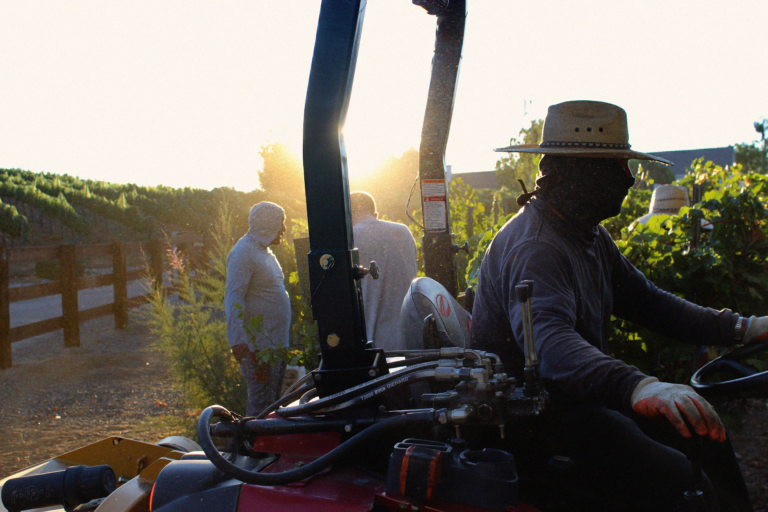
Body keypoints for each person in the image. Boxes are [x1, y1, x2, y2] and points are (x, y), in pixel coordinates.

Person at [471, 100, 766, 511]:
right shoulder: (538, 247)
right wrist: (639, 385)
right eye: (617, 166)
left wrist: (745, 328)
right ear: (581, 173)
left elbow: (650, 303)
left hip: (577, 403)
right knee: (680, 478)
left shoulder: (585, 233)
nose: (628, 180)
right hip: (538, 422)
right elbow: (551, 343)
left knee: (704, 438)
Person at [225, 201, 290, 417]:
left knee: (272, 404)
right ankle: (255, 449)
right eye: (280, 223)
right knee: (261, 405)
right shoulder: (243, 252)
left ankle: (266, 449)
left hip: (273, 343)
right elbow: (234, 296)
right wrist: (238, 339)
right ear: (267, 224)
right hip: (258, 347)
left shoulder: (263, 251)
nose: (284, 229)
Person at [350, 191, 418, 352]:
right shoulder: (403, 233)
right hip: (411, 338)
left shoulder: (350, 239)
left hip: (373, 343)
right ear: (375, 214)